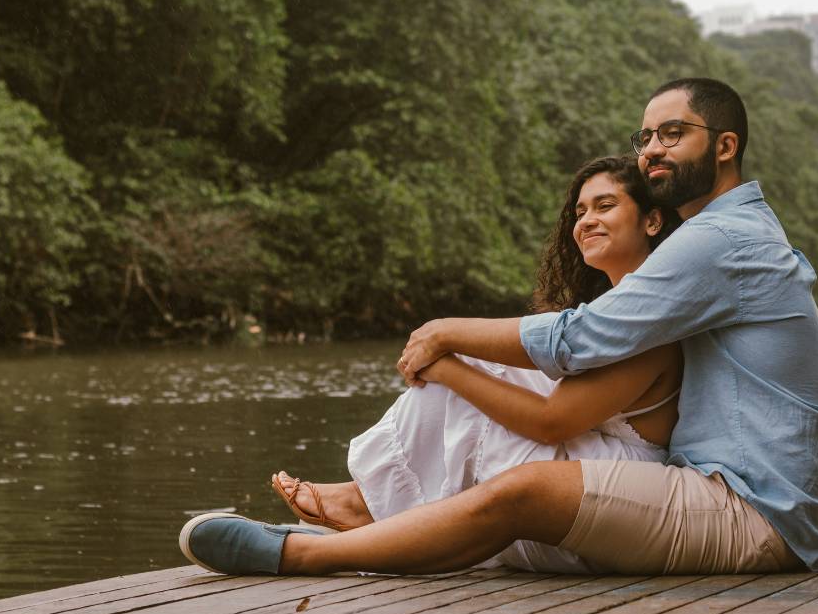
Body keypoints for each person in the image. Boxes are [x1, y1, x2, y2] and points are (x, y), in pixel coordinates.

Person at [180, 77, 818, 578]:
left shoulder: (722, 240)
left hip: (758, 512)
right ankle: (373, 515)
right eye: (644, 138)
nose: (651, 152)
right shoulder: (721, 236)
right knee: (500, 400)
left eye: (672, 134)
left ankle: (302, 557)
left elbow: (577, 339)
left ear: (725, 146)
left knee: (525, 485)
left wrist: (446, 332)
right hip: (730, 490)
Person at [266, 155, 684, 573]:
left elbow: (550, 423)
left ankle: (371, 503)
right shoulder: (603, 313)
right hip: (589, 459)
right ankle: (373, 499)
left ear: (651, 221)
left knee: (467, 364)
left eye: (604, 206)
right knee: (478, 359)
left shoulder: (652, 318)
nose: (586, 221)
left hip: (620, 493)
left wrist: (448, 367)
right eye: (580, 211)